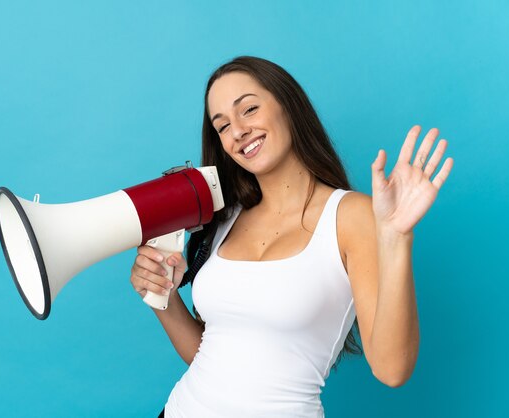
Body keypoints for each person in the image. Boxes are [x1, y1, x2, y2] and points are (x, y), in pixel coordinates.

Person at [129, 56, 453, 418]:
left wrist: (395, 238)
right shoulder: (223, 221)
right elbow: (212, 357)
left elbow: (392, 370)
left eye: (249, 109)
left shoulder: (351, 216)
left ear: (289, 106)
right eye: (222, 126)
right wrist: (164, 298)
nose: (237, 131)